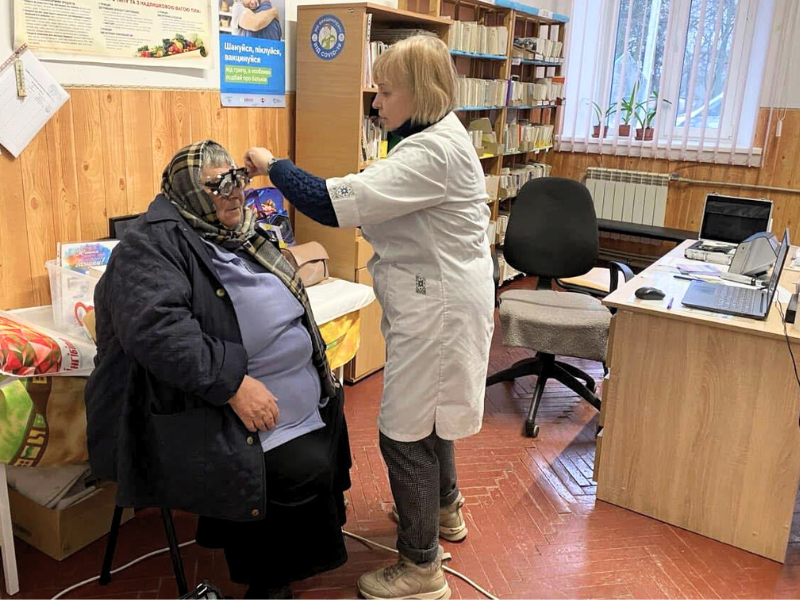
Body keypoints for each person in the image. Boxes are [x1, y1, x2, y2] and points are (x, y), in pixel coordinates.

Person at [244, 34, 494, 600]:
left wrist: (272, 166)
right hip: (440, 300)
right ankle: (446, 511)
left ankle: (421, 568)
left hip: (441, 309)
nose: (375, 103)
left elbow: (329, 202)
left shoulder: (431, 154)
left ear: (419, 93)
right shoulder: (432, 139)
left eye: (384, 91)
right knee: (434, 416)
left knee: (404, 435)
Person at [84, 140, 351, 599]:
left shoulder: (240, 231)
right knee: (297, 464)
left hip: (285, 397)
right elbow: (159, 332)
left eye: (240, 180)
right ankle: (269, 583)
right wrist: (233, 385)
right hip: (206, 403)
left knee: (321, 446)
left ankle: (288, 566)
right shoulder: (149, 247)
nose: (237, 193)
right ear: (189, 191)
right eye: (220, 186)